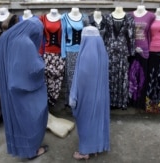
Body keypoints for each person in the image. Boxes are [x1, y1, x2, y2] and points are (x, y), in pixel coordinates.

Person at [0, 17, 48, 159]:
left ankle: (21, 147)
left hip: (9, 87)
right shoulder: (25, 43)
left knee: (17, 120)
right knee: (31, 118)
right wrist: (42, 63)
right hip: (23, 89)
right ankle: (32, 150)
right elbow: (34, 69)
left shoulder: (8, 37)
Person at [69, 26, 110, 160]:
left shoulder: (85, 54)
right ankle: (96, 147)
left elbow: (79, 79)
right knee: (97, 121)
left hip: (86, 99)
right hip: (100, 98)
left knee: (86, 122)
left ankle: (85, 151)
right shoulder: (102, 52)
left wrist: (74, 95)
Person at [128, 5, 155, 109]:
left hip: (144, 49)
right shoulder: (129, 15)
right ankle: (131, 101)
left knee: (142, 77)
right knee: (131, 76)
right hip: (132, 50)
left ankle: (140, 103)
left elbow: (150, 33)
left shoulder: (151, 16)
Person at [39, 8, 64, 106]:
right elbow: (40, 37)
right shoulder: (43, 18)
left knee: (58, 77)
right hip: (47, 53)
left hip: (60, 54)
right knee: (47, 78)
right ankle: (46, 104)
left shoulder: (63, 18)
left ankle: (53, 100)